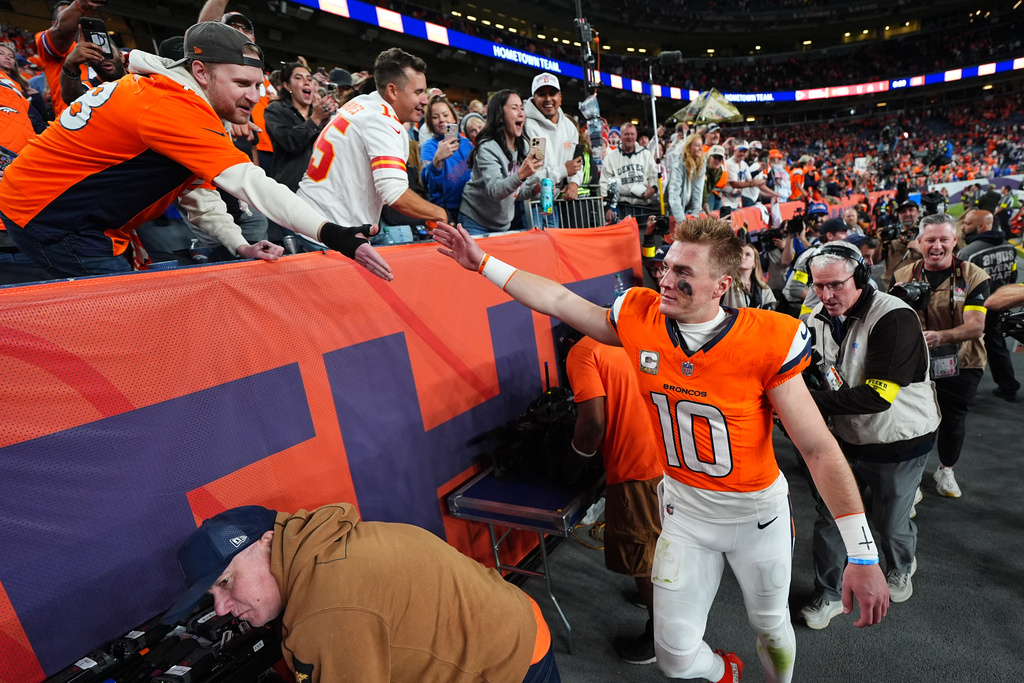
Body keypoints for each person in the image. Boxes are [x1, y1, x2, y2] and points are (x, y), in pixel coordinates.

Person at [433, 216, 888, 683]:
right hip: (684, 513)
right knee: (672, 657)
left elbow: (816, 448)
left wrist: (864, 553)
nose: (665, 279)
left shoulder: (767, 338)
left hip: (757, 517)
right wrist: (483, 262)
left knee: (769, 626)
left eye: (683, 274)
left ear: (721, 285)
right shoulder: (640, 316)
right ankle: (722, 673)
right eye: (666, 266)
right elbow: (559, 299)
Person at [0, 22, 392, 280]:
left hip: (60, 212)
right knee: (123, 328)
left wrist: (239, 243)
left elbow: (195, 188)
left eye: (257, 85)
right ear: (201, 72)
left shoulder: (174, 95)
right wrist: (334, 234)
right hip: (48, 217)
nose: (253, 97)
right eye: (241, 83)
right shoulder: (171, 104)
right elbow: (250, 181)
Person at [165, 504, 560, 682]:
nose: (222, 608)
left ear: (267, 541)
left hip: (509, 663)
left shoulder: (324, 610)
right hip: (510, 619)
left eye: (227, 582)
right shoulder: (322, 540)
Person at [799, 242, 939, 629]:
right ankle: (827, 593)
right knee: (831, 517)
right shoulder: (815, 314)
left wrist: (805, 404)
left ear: (860, 278)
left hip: (899, 442)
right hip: (843, 439)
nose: (826, 295)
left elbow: (879, 396)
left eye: (835, 285)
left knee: (889, 521)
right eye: (818, 286)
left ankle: (901, 565)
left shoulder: (895, 319)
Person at [565, 336, 664, 664]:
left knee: (645, 555)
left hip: (635, 467)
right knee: (663, 544)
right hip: (670, 456)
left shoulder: (583, 352)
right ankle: (660, 603)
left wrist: (575, 462)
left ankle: (661, 638)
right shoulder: (634, 338)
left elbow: (592, 424)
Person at [892, 213, 990, 499]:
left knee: (953, 419)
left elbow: (976, 326)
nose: (937, 246)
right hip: (916, 362)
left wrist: (941, 336)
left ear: (954, 241)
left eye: (944, 239)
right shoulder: (902, 276)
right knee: (912, 421)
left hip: (963, 362)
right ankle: (911, 478)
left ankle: (946, 469)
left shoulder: (973, 275)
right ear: (919, 241)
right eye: (930, 240)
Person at [297, 47, 446, 228]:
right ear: (392, 91)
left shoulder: (360, 104)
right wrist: (439, 214)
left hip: (310, 214)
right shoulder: (383, 120)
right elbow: (394, 193)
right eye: (418, 92)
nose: (425, 100)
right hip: (329, 225)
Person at [456, 89, 542, 234]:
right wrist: (521, 175)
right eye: (514, 108)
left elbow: (515, 192)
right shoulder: (487, 147)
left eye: (522, 108)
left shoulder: (523, 147)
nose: (521, 113)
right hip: (475, 221)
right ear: (500, 116)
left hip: (502, 224)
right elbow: (495, 191)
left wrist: (533, 191)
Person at [958, 208, 1020, 401]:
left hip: (973, 309)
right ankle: (1008, 387)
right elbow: (1013, 277)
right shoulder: (1009, 247)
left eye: (967, 224)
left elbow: (959, 287)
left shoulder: (967, 253)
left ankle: (965, 395)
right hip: (1000, 306)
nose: (964, 227)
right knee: (997, 346)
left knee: (967, 350)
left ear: (982, 226)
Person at [263, 62, 335, 191]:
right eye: (298, 78)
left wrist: (328, 122)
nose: (306, 82)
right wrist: (316, 119)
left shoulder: (319, 114)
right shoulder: (275, 110)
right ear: (287, 85)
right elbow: (290, 142)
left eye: (309, 79)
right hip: (290, 187)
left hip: (320, 188)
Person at [34, 0, 105, 117]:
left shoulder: (99, 44)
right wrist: (81, 6)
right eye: (67, 13)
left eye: (80, 15)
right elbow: (62, 31)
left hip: (106, 116)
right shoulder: (44, 41)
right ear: (54, 24)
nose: (77, 17)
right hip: (74, 121)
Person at [524, 72, 584, 201]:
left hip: (557, 201)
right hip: (533, 202)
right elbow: (532, 175)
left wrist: (574, 183)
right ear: (534, 99)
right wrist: (563, 171)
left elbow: (577, 164)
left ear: (560, 98)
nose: (548, 99)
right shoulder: (528, 127)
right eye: (541, 94)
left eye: (552, 93)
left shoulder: (569, 126)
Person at [783, 217, 850, 319]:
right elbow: (796, 288)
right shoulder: (814, 256)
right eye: (843, 233)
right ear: (830, 235)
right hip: (796, 310)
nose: (847, 236)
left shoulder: (825, 253)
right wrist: (828, 299)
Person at [419, 95, 472, 223]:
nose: (442, 120)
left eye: (445, 115)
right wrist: (437, 160)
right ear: (431, 122)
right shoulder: (430, 147)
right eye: (435, 117)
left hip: (470, 208)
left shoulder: (467, 143)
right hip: (445, 212)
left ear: (454, 117)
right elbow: (428, 184)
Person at [601, 122, 658, 223]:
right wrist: (607, 208)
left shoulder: (646, 154)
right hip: (622, 206)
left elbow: (654, 176)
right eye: (626, 134)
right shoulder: (611, 157)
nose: (629, 137)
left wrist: (653, 189)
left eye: (632, 134)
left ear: (636, 136)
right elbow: (604, 184)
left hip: (644, 206)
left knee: (645, 236)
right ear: (621, 136)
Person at [722, 242, 777, 310]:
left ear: (754, 263)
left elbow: (770, 313)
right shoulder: (727, 283)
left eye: (748, 255)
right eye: (740, 254)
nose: (743, 257)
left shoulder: (763, 288)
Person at [666, 133, 704, 222]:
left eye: (701, 145)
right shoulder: (678, 163)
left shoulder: (701, 164)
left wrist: (696, 214)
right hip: (674, 212)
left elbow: (698, 191)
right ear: (688, 148)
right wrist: (681, 220)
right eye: (697, 145)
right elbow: (674, 193)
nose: (701, 149)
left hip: (688, 210)